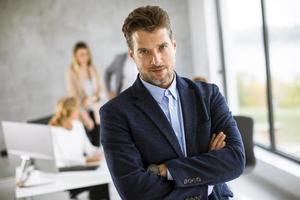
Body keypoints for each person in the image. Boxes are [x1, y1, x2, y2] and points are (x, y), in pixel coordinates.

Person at [100, 5, 245, 200]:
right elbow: (134, 190)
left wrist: (165, 170)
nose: (156, 60)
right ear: (133, 56)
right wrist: (207, 179)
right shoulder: (115, 113)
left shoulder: (209, 95)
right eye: (144, 51)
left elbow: (235, 161)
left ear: (173, 46)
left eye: (162, 47)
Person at [49, 97, 109, 200]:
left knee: (102, 182)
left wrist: (103, 151)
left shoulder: (78, 126)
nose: (80, 112)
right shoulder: (54, 131)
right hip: (66, 173)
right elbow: (60, 160)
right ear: (71, 111)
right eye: (78, 109)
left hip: (82, 168)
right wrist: (86, 160)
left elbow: (89, 149)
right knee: (97, 183)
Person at [66, 41, 105, 146]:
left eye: (86, 54)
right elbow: (73, 98)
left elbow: (102, 92)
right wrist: (86, 118)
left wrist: (92, 98)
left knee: (98, 144)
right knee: (87, 145)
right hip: (82, 112)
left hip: (96, 112)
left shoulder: (93, 69)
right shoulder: (72, 72)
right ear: (76, 56)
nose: (84, 57)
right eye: (81, 54)